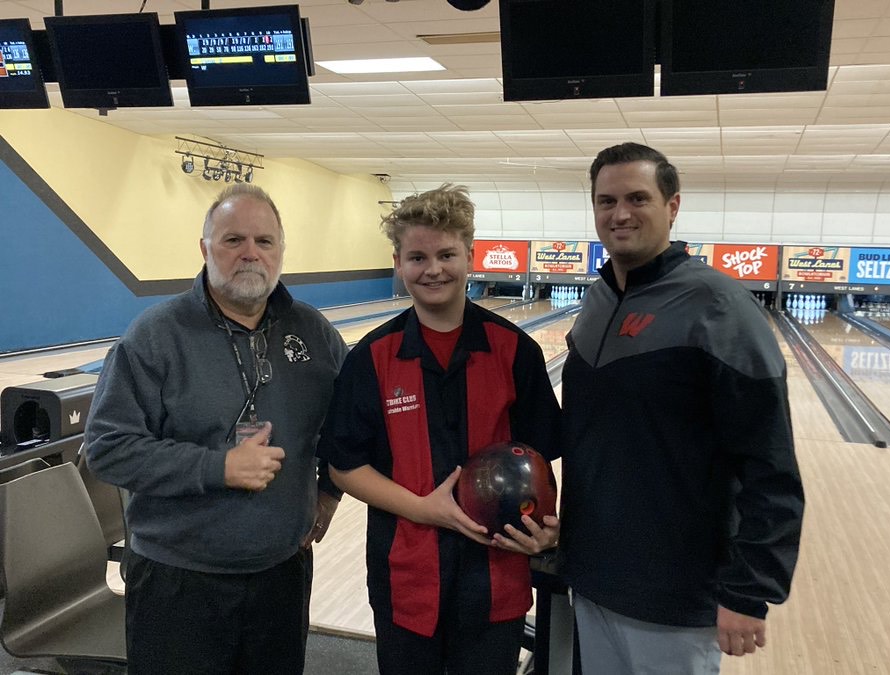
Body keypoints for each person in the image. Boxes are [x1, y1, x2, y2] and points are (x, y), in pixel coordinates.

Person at [560, 142, 804, 673]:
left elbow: (770, 463)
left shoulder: (719, 307)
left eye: (637, 198)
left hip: (675, 588)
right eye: (606, 201)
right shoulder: (596, 302)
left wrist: (749, 589)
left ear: (672, 206)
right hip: (593, 573)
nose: (619, 214)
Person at [85, 183, 348, 674]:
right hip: (176, 579)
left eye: (264, 242)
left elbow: (353, 427)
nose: (250, 253)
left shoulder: (314, 334)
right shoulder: (156, 335)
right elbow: (106, 448)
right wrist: (217, 467)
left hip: (281, 574)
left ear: (281, 253)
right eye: (232, 240)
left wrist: (330, 490)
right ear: (204, 249)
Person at [317, 184, 560, 675]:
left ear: (470, 256)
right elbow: (344, 466)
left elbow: (544, 458)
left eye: (447, 254)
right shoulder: (372, 358)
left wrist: (551, 527)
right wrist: (428, 510)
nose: (433, 269)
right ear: (398, 262)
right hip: (406, 575)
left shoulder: (516, 351)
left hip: (497, 575)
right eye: (417, 257)